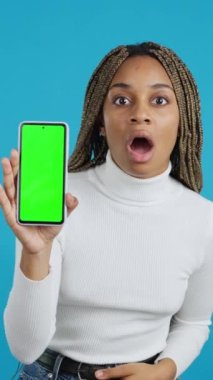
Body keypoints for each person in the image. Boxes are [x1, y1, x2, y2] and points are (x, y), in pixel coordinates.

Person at [1, 41, 213, 380]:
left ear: (181, 120)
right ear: (100, 120)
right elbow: (25, 348)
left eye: (159, 100)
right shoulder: (59, 199)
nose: (139, 113)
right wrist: (34, 251)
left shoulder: (204, 220)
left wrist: (165, 371)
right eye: (121, 100)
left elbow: (194, 322)